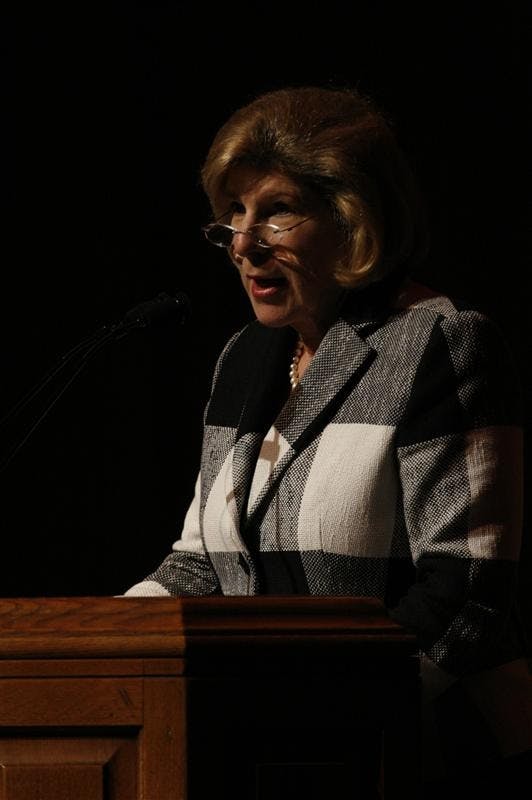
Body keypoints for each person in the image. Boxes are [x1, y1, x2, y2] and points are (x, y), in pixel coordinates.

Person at [124, 85, 531, 793]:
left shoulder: (439, 344)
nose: (244, 245)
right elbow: (203, 565)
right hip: (273, 753)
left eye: (277, 211)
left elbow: (466, 598)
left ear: (353, 216)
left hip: (418, 754)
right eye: (234, 216)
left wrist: (315, 712)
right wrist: (101, 647)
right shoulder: (246, 359)